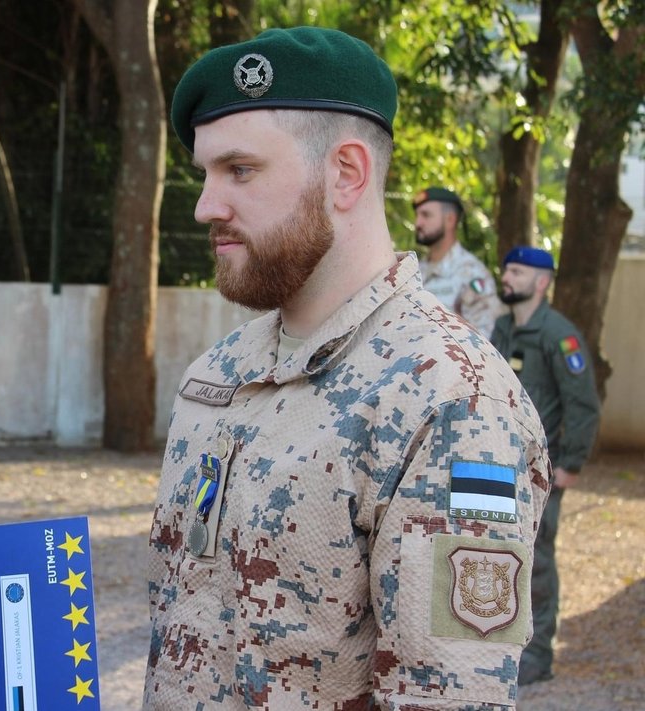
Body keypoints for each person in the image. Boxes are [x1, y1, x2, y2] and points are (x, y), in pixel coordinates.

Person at [149, 27, 551, 709]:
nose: (205, 206)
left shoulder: (452, 397)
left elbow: (447, 696)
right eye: (206, 174)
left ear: (346, 174)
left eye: (240, 170)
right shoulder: (216, 375)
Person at [490, 246, 601, 686]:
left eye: (517, 271)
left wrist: (570, 463)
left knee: (536, 562)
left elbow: (583, 404)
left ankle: (538, 656)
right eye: (506, 268)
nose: (507, 276)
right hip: (499, 466)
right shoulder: (501, 329)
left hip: (543, 472)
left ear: (541, 282)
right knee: (496, 554)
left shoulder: (559, 335)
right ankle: (500, 647)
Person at [412, 186, 504, 337]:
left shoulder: (472, 274)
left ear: (450, 220)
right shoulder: (414, 270)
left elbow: (483, 341)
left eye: (426, 215)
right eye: (417, 215)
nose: (418, 223)